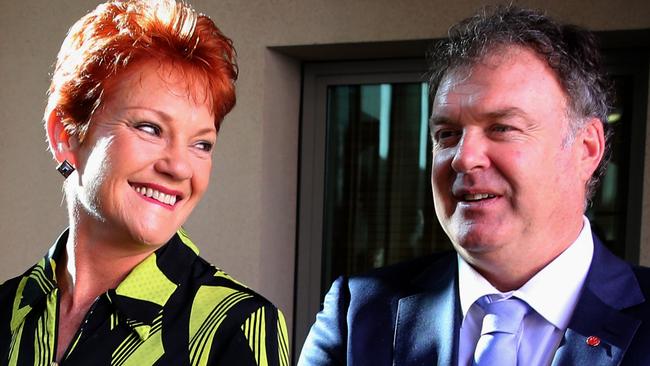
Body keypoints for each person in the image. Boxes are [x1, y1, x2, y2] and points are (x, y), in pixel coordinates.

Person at [298, 5, 650, 366]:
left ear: (585, 148)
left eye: (502, 128)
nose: (463, 159)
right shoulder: (359, 316)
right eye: (447, 134)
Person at [0, 0, 289, 364]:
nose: (180, 167)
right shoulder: (7, 309)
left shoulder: (236, 325)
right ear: (66, 135)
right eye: (150, 128)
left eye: (201, 144)